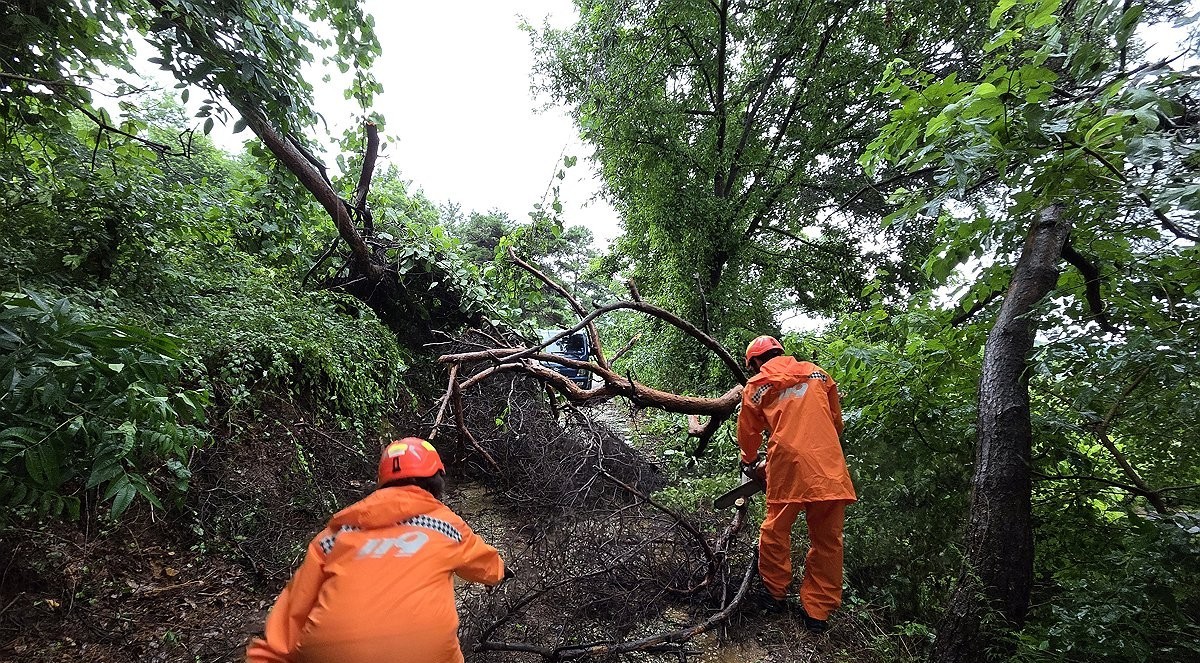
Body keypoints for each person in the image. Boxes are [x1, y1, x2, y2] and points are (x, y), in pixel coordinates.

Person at [246, 437, 509, 663]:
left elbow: (289, 620)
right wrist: (500, 572)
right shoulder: (445, 525)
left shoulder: (335, 535)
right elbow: (485, 565)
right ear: (437, 480)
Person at [737, 335, 856, 633]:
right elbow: (835, 422)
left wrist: (750, 460)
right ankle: (817, 614)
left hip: (788, 467)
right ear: (779, 351)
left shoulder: (756, 387)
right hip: (828, 466)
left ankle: (775, 595)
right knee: (828, 542)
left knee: (775, 531)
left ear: (755, 362)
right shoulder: (819, 374)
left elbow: (749, 434)